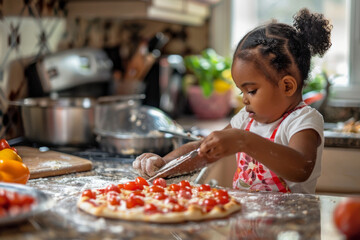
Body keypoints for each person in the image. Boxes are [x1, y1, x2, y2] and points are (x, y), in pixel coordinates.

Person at [133, 8, 332, 194]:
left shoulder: (303, 120)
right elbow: (203, 150)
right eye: (241, 90)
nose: (244, 99)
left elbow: (301, 168)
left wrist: (244, 141)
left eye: (252, 90)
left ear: (287, 86)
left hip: (290, 227)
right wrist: (164, 163)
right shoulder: (246, 119)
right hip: (246, 224)